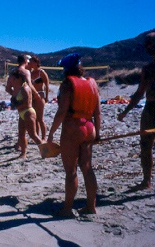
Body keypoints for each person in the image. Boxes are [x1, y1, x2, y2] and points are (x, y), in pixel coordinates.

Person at [47, 53, 101, 216]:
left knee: (71, 171)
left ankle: (67, 209)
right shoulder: (93, 84)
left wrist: (51, 134)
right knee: (87, 168)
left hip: (72, 129)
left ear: (67, 69)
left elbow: (62, 111)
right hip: (89, 127)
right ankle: (91, 206)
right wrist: (97, 133)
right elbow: (97, 112)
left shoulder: (67, 85)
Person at [118, 32, 155, 190]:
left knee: (146, 145)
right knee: (145, 145)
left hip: (151, 108)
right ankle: (146, 181)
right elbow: (140, 93)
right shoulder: (148, 68)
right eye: (147, 43)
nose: (147, 46)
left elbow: (139, 93)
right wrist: (126, 111)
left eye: (149, 43)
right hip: (150, 108)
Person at [6, 68, 44, 158]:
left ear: (19, 78)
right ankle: (23, 153)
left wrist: (15, 103)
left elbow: (26, 103)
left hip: (28, 112)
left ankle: (45, 150)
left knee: (33, 135)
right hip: (22, 113)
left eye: (14, 78)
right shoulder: (18, 88)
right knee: (21, 134)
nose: (13, 80)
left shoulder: (25, 88)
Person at [29, 55, 50, 140]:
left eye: (32, 61)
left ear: (36, 62)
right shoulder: (30, 73)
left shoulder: (41, 72)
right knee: (35, 118)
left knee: (40, 118)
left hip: (40, 94)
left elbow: (47, 85)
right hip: (32, 96)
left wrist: (46, 97)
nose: (30, 63)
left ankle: (44, 137)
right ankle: (37, 136)